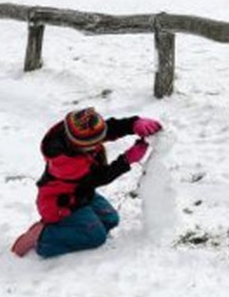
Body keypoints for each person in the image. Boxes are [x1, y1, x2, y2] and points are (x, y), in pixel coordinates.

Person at [21, 107, 163, 258]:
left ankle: (75, 226)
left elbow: (108, 129)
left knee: (111, 220)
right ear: (79, 145)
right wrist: (126, 160)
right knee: (96, 237)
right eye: (93, 144)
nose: (97, 145)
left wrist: (134, 124)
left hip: (81, 193)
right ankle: (45, 239)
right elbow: (99, 178)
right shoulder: (66, 164)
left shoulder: (76, 133)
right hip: (61, 204)